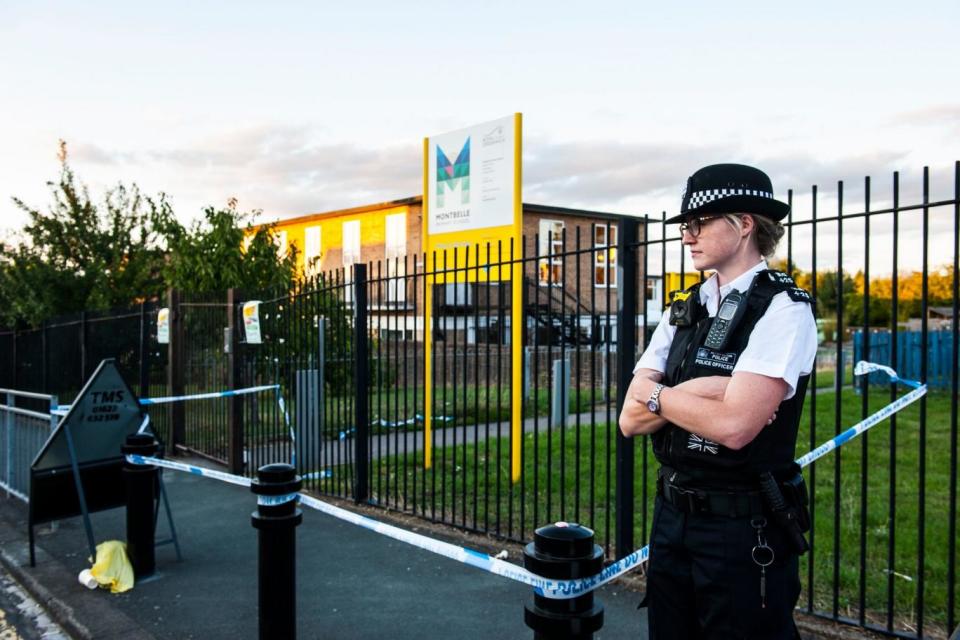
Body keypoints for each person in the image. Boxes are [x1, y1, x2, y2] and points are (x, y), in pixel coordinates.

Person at [619, 163, 818, 639]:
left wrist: (658, 396)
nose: (688, 236)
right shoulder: (683, 308)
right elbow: (629, 417)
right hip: (671, 520)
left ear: (745, 223)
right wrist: (699, 391)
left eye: (700, 223)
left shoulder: (783, 308)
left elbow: (735, 427)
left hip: (742, 529)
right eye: (686, 225)